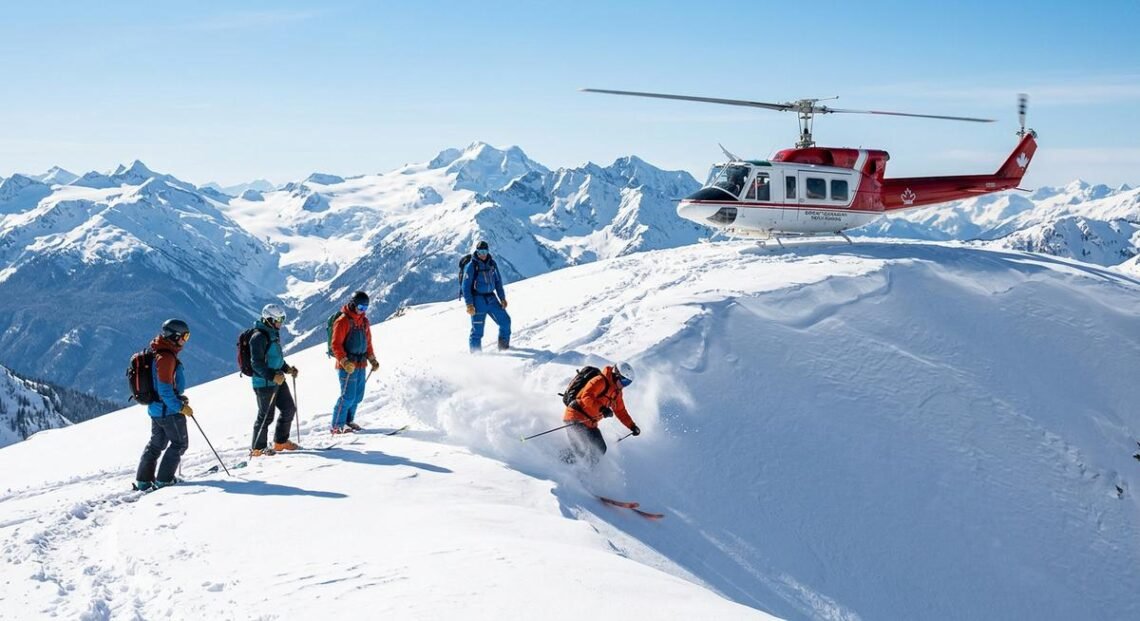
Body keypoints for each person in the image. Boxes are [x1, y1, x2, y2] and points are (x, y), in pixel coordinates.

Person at [134, 319, 192, 491]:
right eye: (185, 336)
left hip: (156, 409)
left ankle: (144, 481)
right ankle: (164, 480)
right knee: (179, 444)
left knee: (156, 445)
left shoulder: (157, 352)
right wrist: (180, 407)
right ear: (175, 336)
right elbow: (165, 390)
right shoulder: (165, 357)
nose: (185, 340)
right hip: (168, 411)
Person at [563, 362, 641, 465]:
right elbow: (586, 397)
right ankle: (561, 464)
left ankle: (586, 471)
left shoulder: (617, 392)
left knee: (600, 449)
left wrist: (632, 426)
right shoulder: (600, 381)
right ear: (616, 374)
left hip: (590, 423)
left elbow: (620, 411)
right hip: (575, 416)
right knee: (581, 448)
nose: (624, 385)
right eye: (624, 381)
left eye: (627, 383)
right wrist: (602, 409)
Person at [249, 303, 300, 455]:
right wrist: (272, 376)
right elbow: (256, 364)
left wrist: (287, 369)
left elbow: (275, 358)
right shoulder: (258, 337)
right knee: (265, 416)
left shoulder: (273, 333)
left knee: (289, 408)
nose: (281, 322)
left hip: (278, 379)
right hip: (264, 383)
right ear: (268, 319)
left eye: (282, 319)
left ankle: (280, 441)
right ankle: (258, 449)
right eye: (278, 319)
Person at [330, 290, 379, 433]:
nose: (362, 311)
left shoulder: (364, 321)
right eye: (360, 307)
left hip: (361, 364)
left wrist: (372, 359)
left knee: (358, 396)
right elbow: (336, 345)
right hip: (347, 365)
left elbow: (368, 343)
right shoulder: (343, 321)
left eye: (365, 308)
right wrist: (345, 362)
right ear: (353, 305)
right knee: (348, 396)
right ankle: (337, 426)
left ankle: (349, 421)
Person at [462, 240, 511, 352]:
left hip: (491, 299)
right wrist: (469, 304)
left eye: (485, 251)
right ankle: (476, 358)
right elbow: (466, 286)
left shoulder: (492, 264)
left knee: (505, 321)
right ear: (477, 252)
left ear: (488, 251)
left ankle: (504, 348)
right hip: (478, 301)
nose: (483, 255)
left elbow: (498, 282)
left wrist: (502, 298)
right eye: (480, 252)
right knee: (477, 331)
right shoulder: (472, 266)